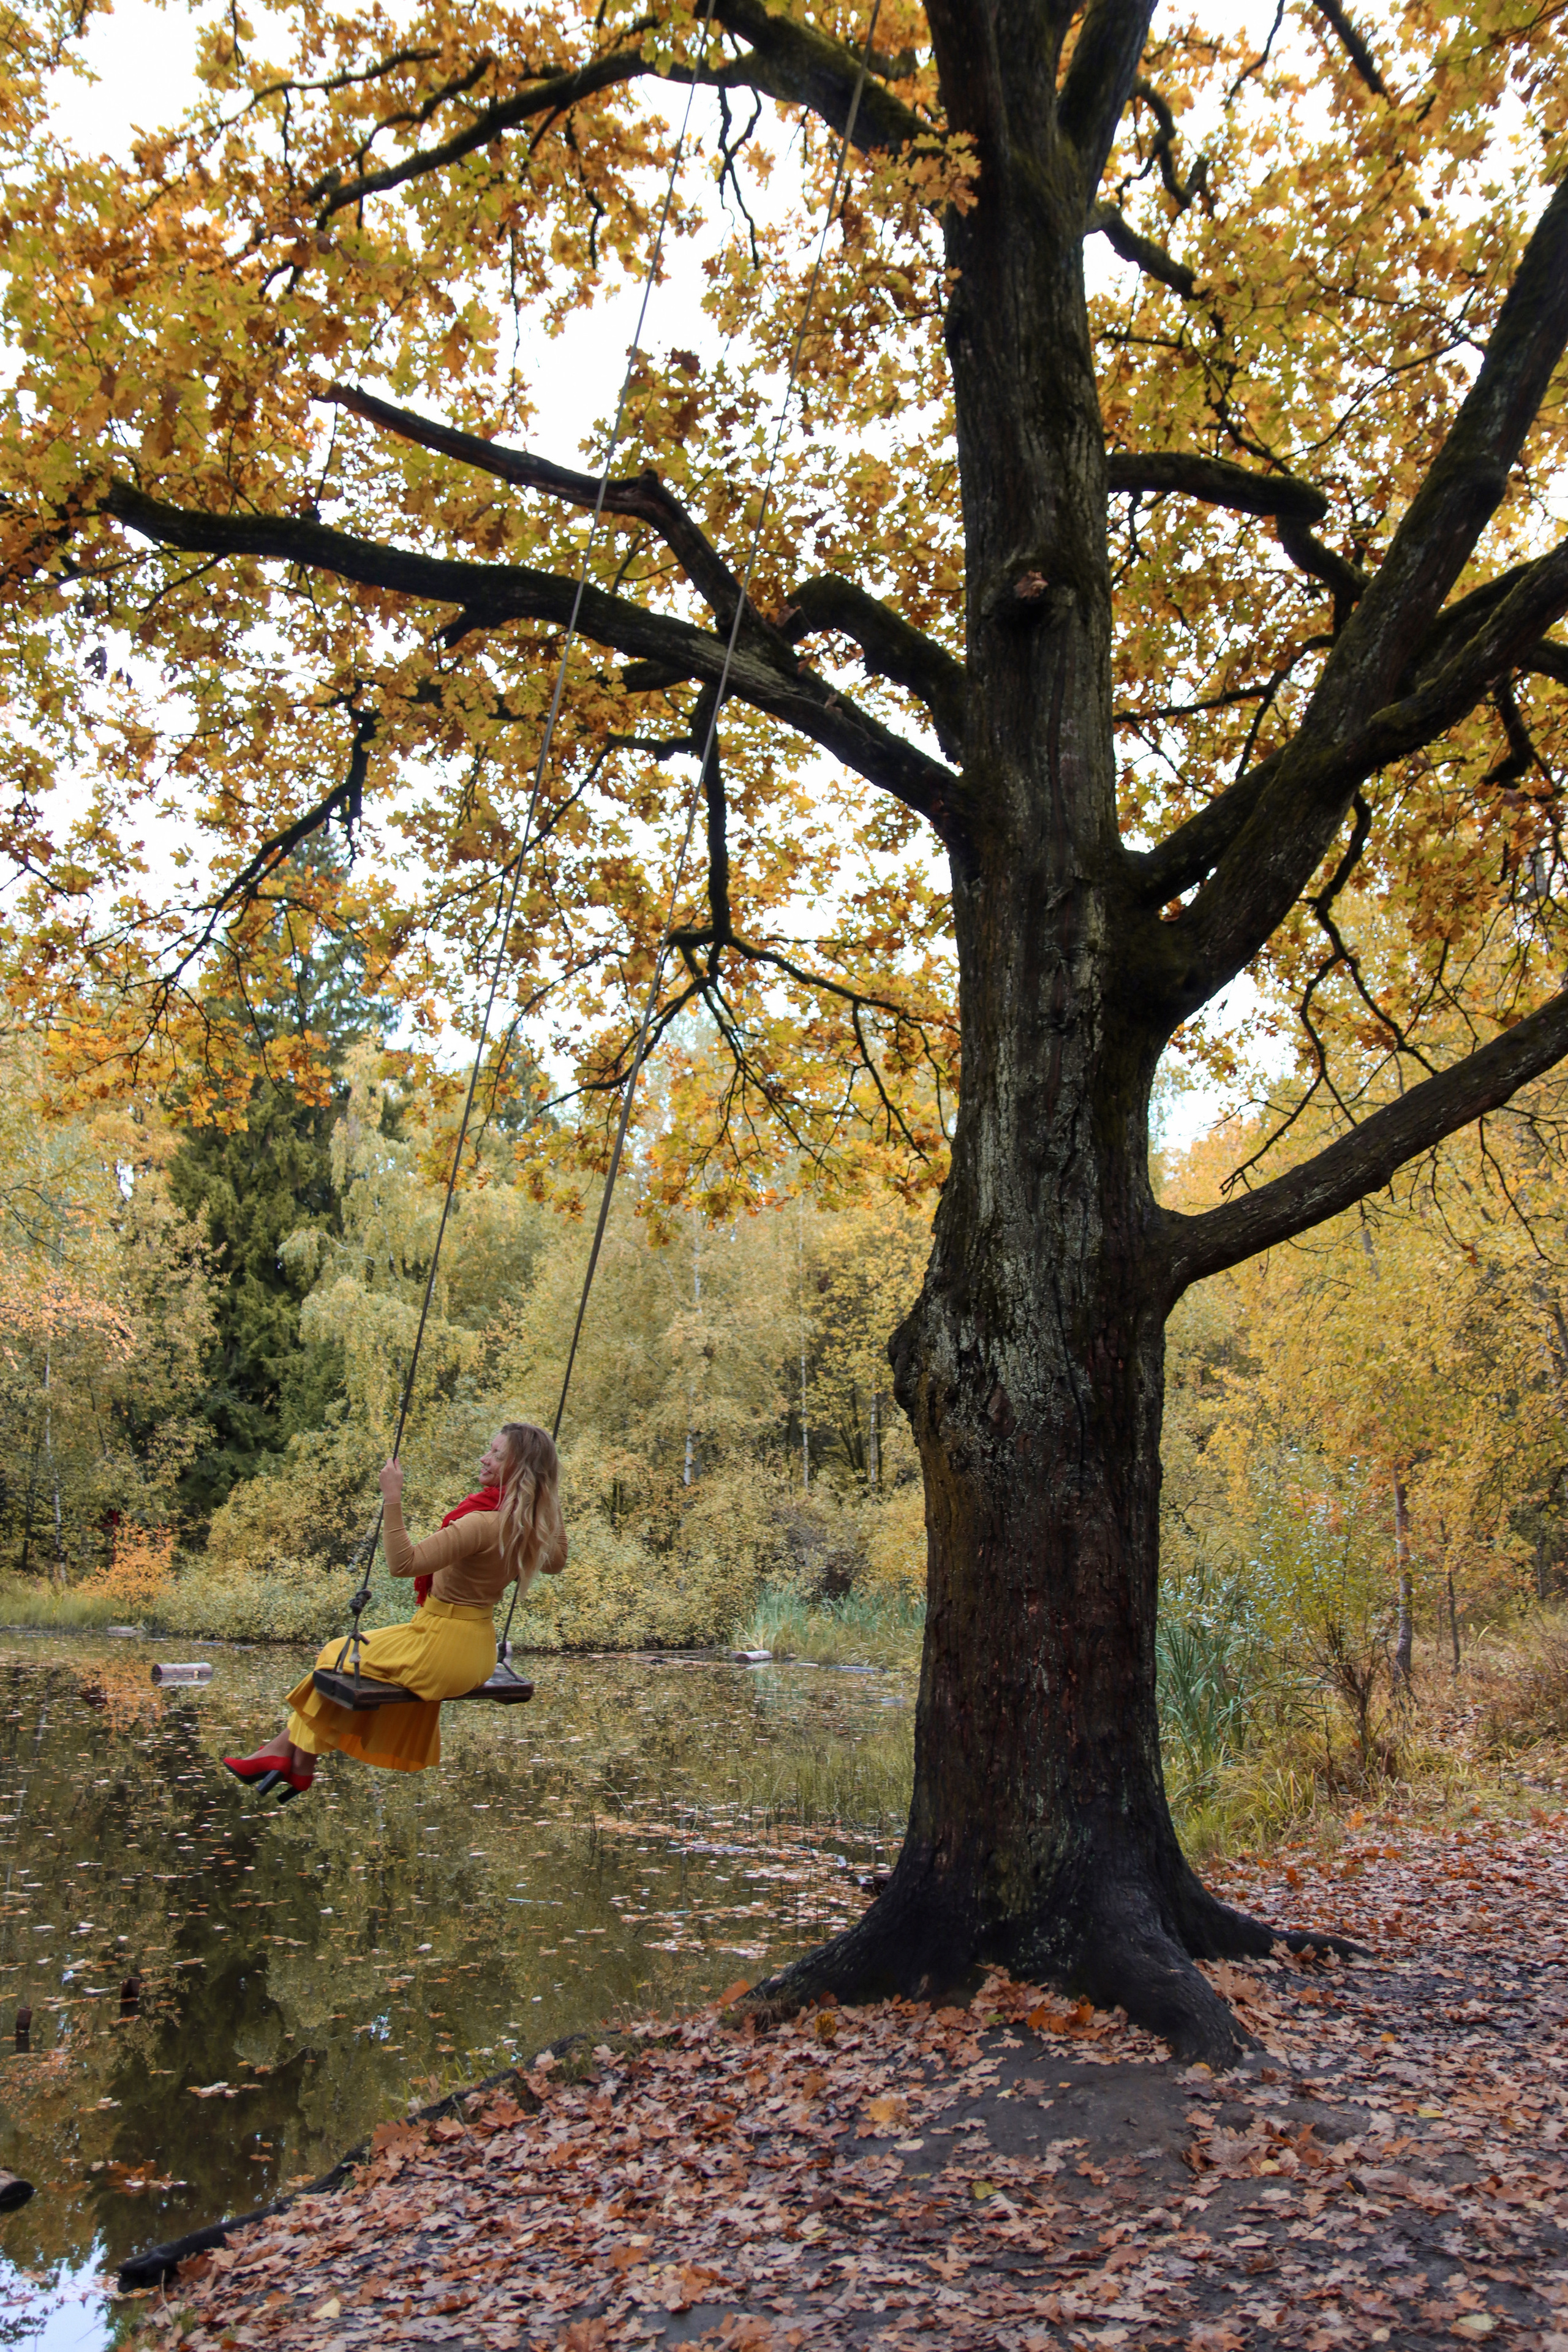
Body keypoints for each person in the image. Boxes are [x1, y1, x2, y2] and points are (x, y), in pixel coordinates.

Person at [222, 1422, 566, 1800]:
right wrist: (547, 1499)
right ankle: (292, 1760)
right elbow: (557, 1562)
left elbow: (403, 1564)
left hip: (441, 1648)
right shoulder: (526, 1525)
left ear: (519, 1470)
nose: (484, 1459)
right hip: (475, 1652)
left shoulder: (481, 1524)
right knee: (340, 1656)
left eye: (498, 1456)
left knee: (336, 1656)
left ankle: (293, 1762)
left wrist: (392, 1497)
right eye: (490, 1450)